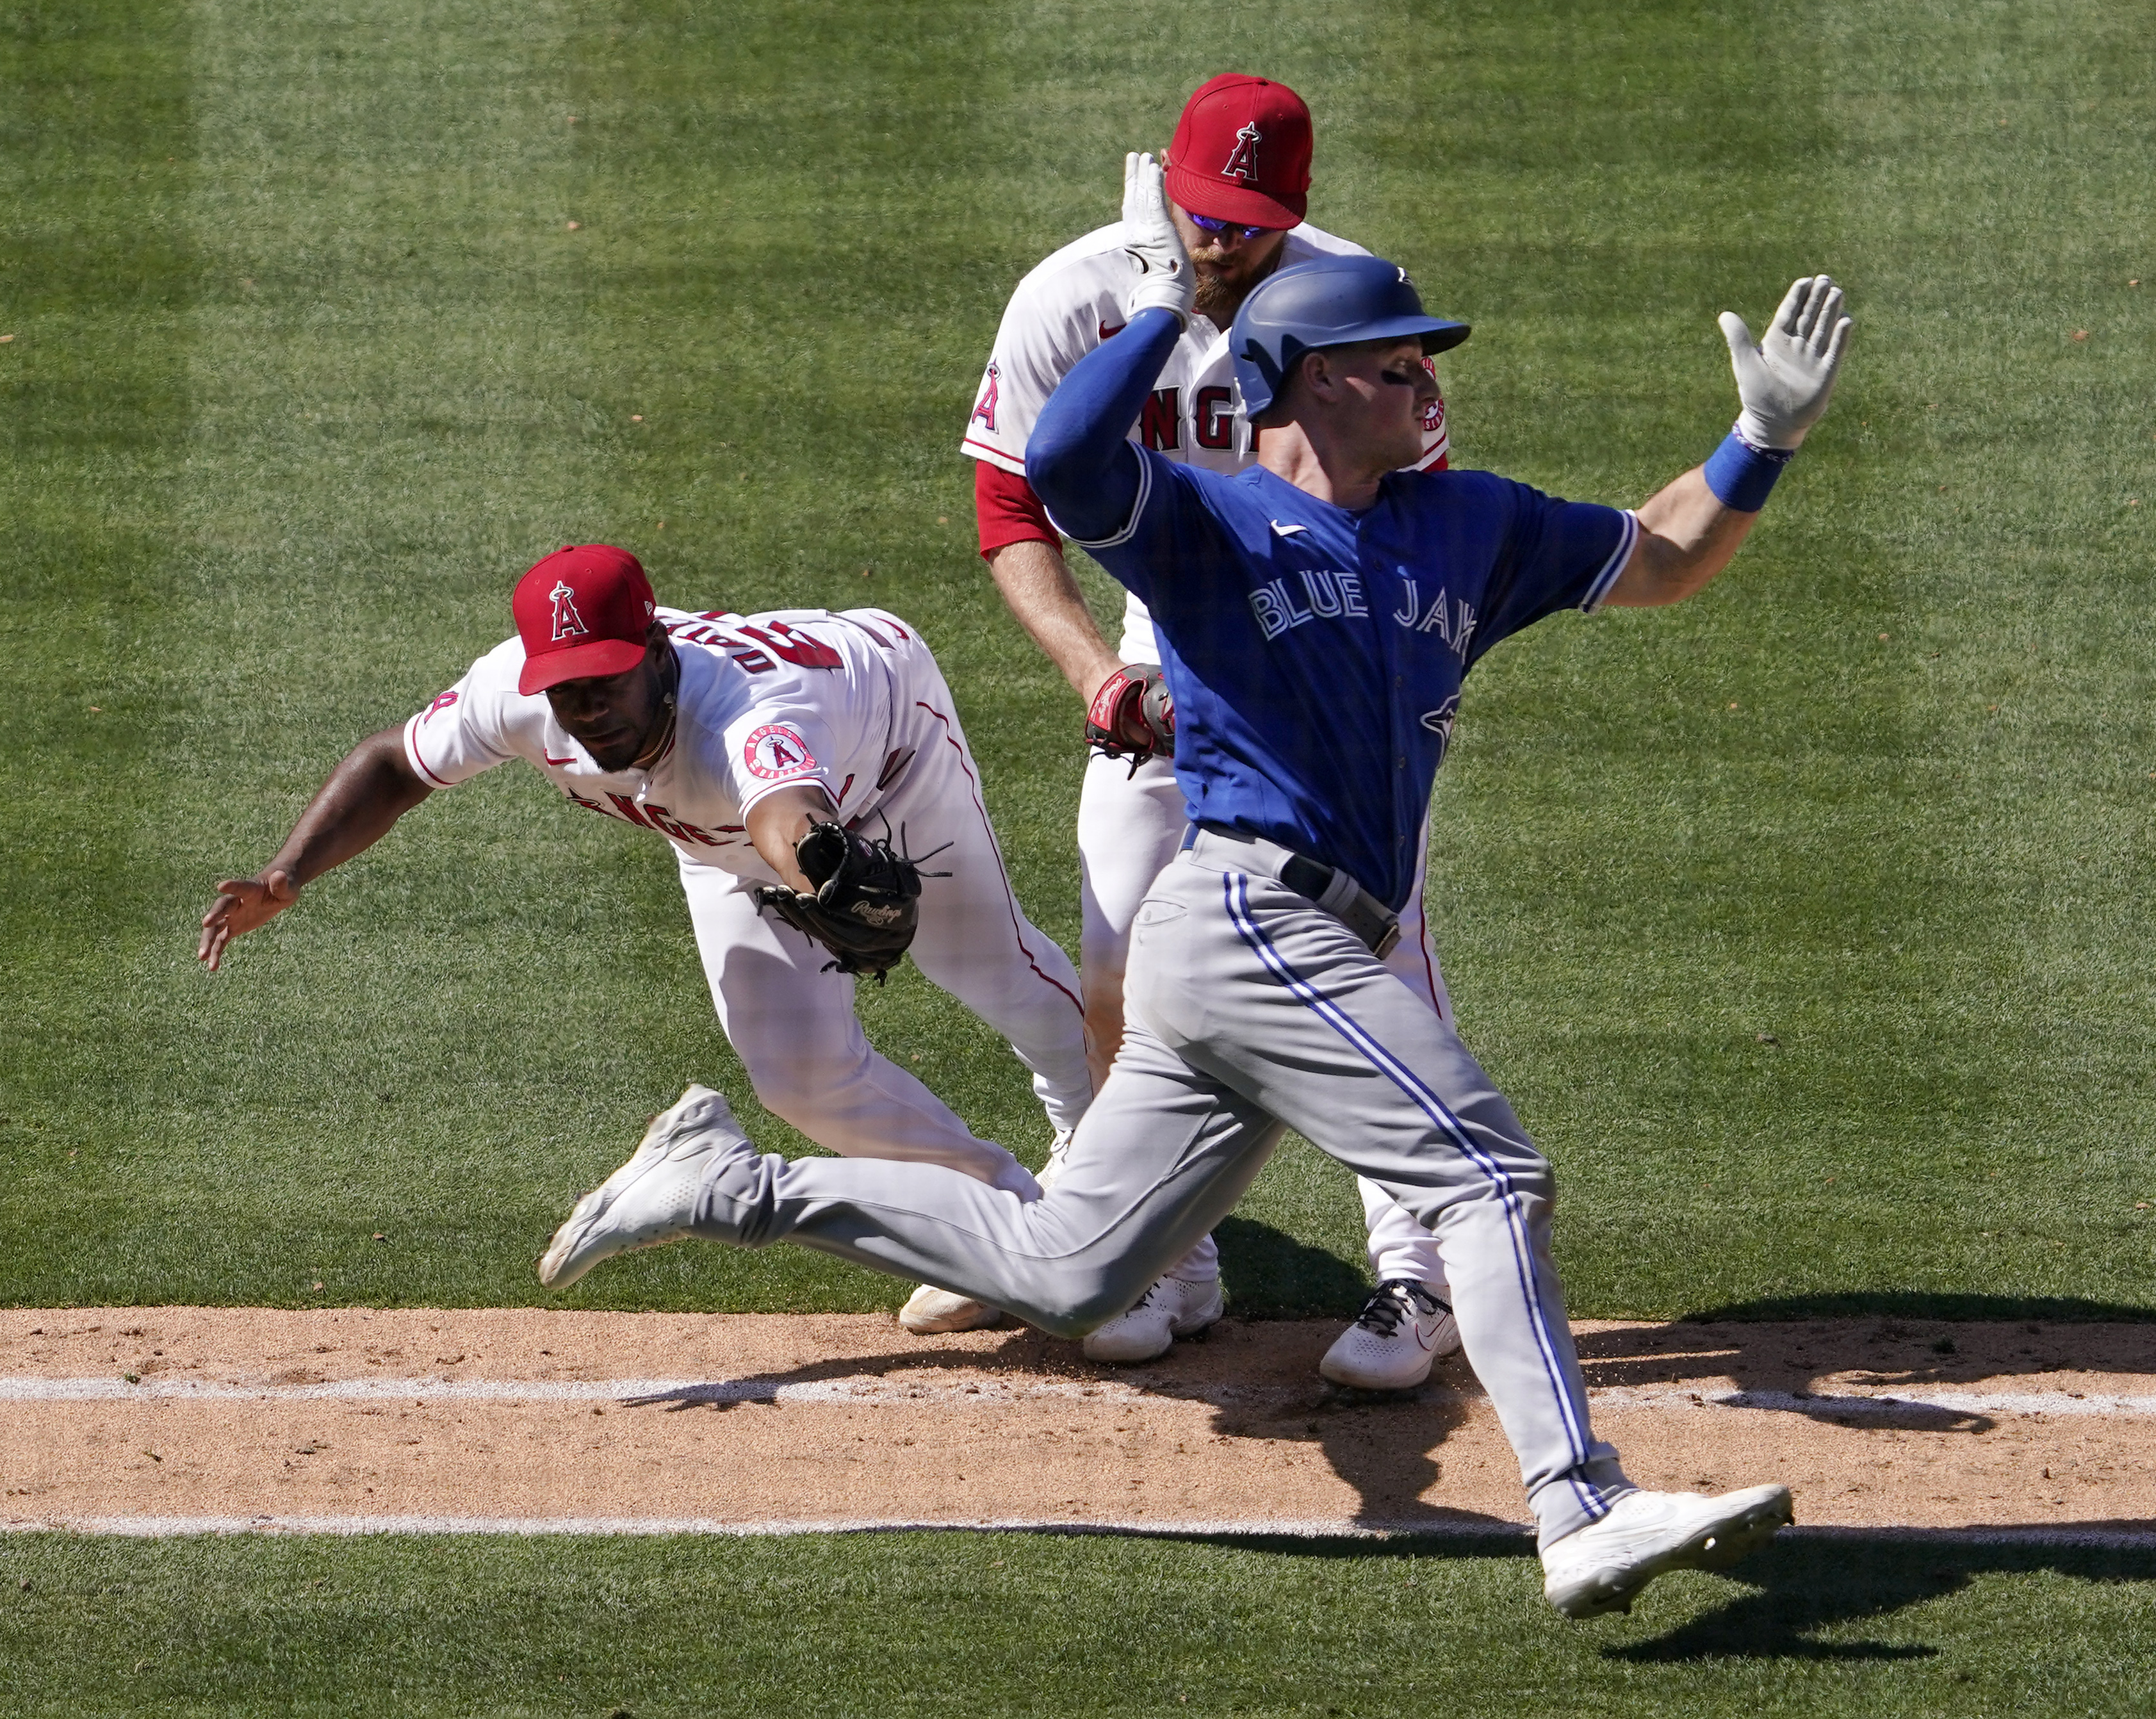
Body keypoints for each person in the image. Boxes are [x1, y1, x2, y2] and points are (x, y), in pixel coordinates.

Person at [535, 156, 1850, 1617]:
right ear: (1304, 378)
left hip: (1262, 946)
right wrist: (1159, 316)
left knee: (1071, 1270)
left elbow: (1660, 555)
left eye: (1425, 355)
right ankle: (1582, 1505)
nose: (1427, 375)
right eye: (1392, 357)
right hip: (1247, 918)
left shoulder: (1466, 523)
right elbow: (1063, 470)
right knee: (1485, 1172)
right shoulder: (1211, 525)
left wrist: (1759, 438)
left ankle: (731, 1183)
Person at [957, 72, 1464, 1376]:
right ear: (1168, 188)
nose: (1222, 242)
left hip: (1326, 644)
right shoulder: (1073, 299)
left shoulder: (1357, 306)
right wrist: (1097, 679)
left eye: (1251, 222)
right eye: (1205, 214)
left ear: (1295, 210)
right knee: (1117, 965)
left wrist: (1358, 683)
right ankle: (1167, 1258)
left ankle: (1421, 1276)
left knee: (1373, 957)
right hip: (1157, 639)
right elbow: (1010, 512)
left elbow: (1416, 518)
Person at [199, 544, 1090, 1236]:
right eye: (568, 692)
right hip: (717, 835)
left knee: (993, 971)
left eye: (608, 682)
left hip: (887, 755)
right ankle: (998, 1216)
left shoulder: (749, 715)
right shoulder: (513, 695)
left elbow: (782, 805)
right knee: (799, 1076)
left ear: (660, 651)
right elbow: (396, 762)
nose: (588, 714)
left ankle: (1142, 1224)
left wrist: (817, 871)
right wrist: (289, 872)